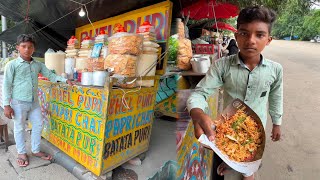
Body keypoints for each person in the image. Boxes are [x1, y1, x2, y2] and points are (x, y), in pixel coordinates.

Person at [187, 6, 282, 180]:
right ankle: (230, 164)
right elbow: (200, 93)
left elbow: (276, 96)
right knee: (231, 156)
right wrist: (197, 112)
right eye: (244, 33)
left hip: (256, 130)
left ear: (268, 40)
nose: (251, 40)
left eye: (259, 35)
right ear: (236, 36)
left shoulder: (275, 70)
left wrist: (277, 123)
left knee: (249, 169)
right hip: (228, 128)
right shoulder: (222, 66)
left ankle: (248, 172)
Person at [3, 34, 73, 167]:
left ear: (34, 49)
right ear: (18, 47)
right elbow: (6, 85)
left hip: (34, 103)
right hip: (18, 103)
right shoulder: (12, 65)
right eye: (23, 46)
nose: (27, 49)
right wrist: (6, 105)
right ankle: (21, 152)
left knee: (38, 125)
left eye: (30, 47)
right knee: (19, 128)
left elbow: (50, 75)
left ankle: (35, 150)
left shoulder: (38, 65)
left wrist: (64, 80)